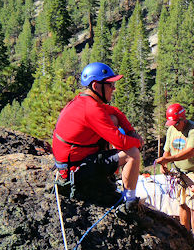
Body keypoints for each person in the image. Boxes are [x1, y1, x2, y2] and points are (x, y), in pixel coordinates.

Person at [52, 62, 143, 211]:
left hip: (72, 164)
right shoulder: (92, 109)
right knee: (132, 154)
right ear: (96, 86)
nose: (113, 88)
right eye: (110, 85)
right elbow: (120, 142)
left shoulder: (85, 101)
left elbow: (116, 112)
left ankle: (108, 179)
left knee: (112, 118)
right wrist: (137, 142)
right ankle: (129, 202)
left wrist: (131, 131)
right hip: (77, 171)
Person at [155, 103, 194, 232]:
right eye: (172, 123)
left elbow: (190, 151)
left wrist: (169, 159)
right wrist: (164, 163)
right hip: (180, 172)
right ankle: (186, 235)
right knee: (182, 204)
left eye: (176, 123)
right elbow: (167, 149)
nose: (174, 126)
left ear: (183, 119)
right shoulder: (172, 129)